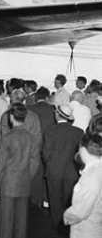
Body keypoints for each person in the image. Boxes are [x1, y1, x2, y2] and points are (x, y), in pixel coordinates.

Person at [0, 103, 39, 238]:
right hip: (24, 183)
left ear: (11, 117)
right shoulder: (31, 138)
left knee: (5, 222)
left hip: (7, 184)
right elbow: (34, 162)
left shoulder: (6, 138)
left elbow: (0, 165)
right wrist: (26, 176)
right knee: (21, 222)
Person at [42, 104, 84, 233]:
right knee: (69, 202)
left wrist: (51, 164)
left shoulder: (50, 131)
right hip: (72, 173)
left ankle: (57, 229)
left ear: (57, 115)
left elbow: (45, 154)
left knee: (55, 203)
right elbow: (80, 155)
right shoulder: (79, 132)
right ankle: (68, 230)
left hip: (54, 171)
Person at [63, 133, 102, 238]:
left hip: (86, 230)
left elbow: (81, 211)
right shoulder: (98, 168)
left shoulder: (90, 178)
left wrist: (66, 217)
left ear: (84, 150)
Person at [27, 86, 55, 207]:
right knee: (44, 172)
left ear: (36, 97)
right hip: (47, 144)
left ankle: (31, 197)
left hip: (31, 144)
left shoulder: (29, 109)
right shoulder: (53, 110)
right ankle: (43, 199)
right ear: (47, 97)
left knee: (31, 171)